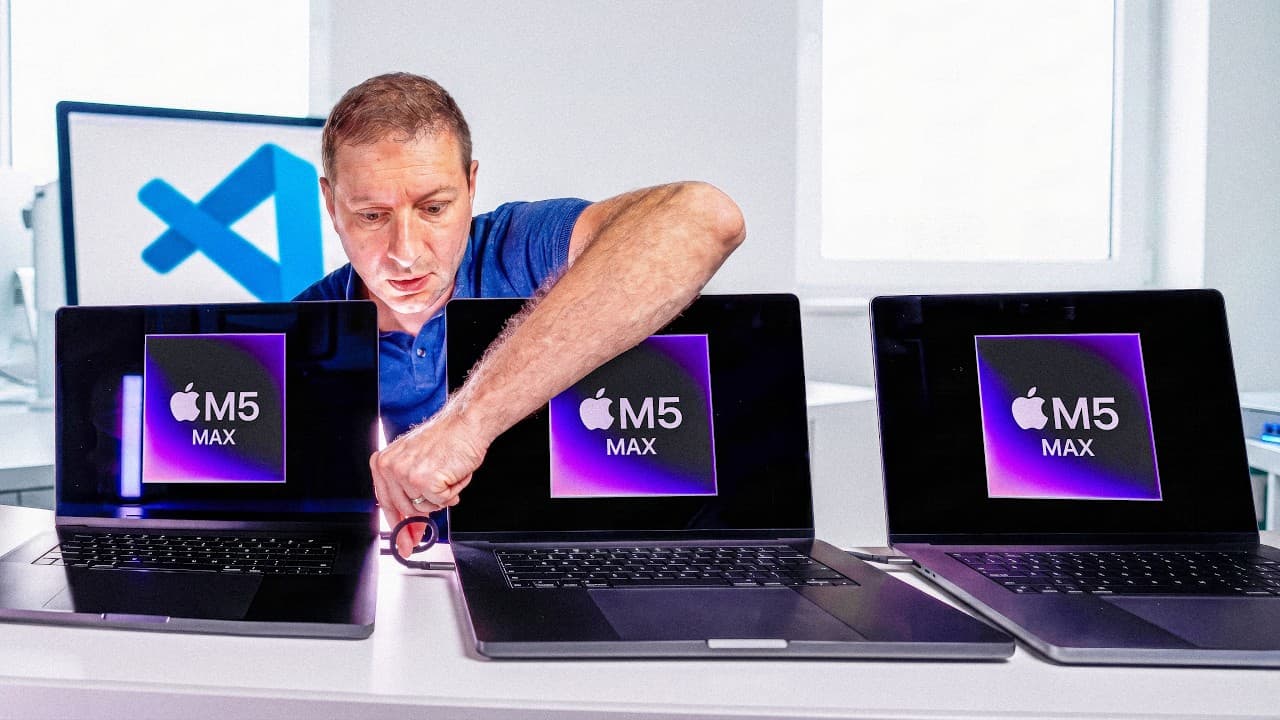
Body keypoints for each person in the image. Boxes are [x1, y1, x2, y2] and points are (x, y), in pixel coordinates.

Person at [296, 73, 744, 555]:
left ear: (471, 186)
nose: (405, 253)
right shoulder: (299, 332)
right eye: (371, 216)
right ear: (330, 203)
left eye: (434, 208)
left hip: (581, 559)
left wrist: (464, 425)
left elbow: (705, 216)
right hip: (417, 591)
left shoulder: (520, 246)